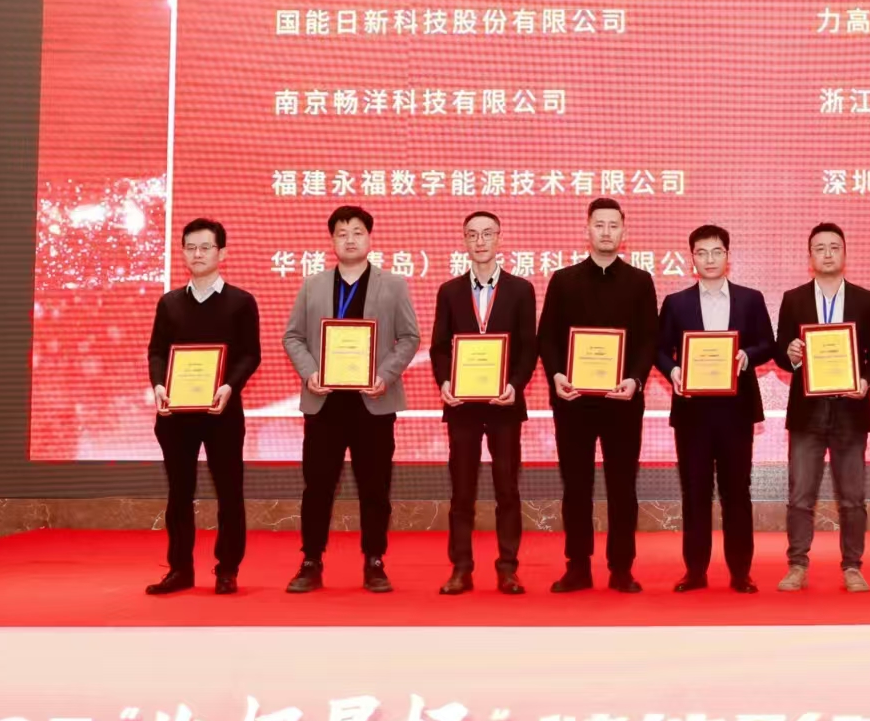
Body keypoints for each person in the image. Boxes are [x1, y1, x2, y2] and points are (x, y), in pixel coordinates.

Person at [280, 205, 422, 594]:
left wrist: (385, 376)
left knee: (375, 487)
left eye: (357, 232)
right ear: (332, 241)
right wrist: (310, 372)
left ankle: (374, 561)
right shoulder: (313, 285)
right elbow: (293, 336)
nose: (350, 239)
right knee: (317, 487)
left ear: (369, 238)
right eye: (341, 233)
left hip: (372, 403)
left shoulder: (393, 285)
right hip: (324, 403)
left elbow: (410, 337)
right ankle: (311, 560)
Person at [537, 198, 658, 593]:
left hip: (623, 401)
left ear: (624, 231)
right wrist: (557, 375)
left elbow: (648, 340)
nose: (606, 232)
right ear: (587, 229)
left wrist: (635, 379)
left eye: (613, 225)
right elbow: (547, 337)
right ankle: (578, 566)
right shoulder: (563, 280)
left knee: (623, 487)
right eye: (599, 225)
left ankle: (621, 568)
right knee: (576, 487)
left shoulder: (640, 282)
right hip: (574, 402)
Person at [656, 224, 778, 593]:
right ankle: (695, 571)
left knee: (736, 492)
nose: (709, 259)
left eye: (716, 252)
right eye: (701, 253)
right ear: (691, 259)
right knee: (694, 493)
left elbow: (768, 344)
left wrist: (747, 355)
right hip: (692, 412)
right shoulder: (676, 303)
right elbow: (659, 350)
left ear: (728, 256)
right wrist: (673, 370)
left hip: (735, 412)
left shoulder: (750, 299)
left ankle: (741, 572)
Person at [142, 218, 261, 595]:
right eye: (190, 247)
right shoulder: (170, 303)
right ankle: (180, 569)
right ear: (182, 253)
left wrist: (229, 386)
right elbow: (157, 351)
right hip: (176, 414)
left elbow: (250, 354)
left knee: (229, 492)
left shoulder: (241, 302)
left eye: (206, 247)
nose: (198, 254)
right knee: (179, 493)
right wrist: (159, 385)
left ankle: (227, 569)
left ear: (221, 253)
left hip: (222, 412)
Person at [773, 222, 870, 592]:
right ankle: (797, 565)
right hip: (807, 413)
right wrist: (790, 354)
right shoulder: (793, 299)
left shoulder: (865, 299)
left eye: (834, 247)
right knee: (800, 496)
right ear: (810, 256)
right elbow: (780, 352)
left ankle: (853, 566)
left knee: (852, 498)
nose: (827, 254)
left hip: (850, 413)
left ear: (844, 254)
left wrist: (865, 381)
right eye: (819, 248)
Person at [428, 210, 539, 596]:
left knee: (507, 489)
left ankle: (508, 568)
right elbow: (439, 347)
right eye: (472, 234)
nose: (480, 241)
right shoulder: (449, 291)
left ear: (499, 239)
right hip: (462, 406)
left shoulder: (521, 289)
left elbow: (528, 347)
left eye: (487, 233)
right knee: (462, 491)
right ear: (464, 241)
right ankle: (461, 568)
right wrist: (445, 382)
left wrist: (515, 385)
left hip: (505, 404)